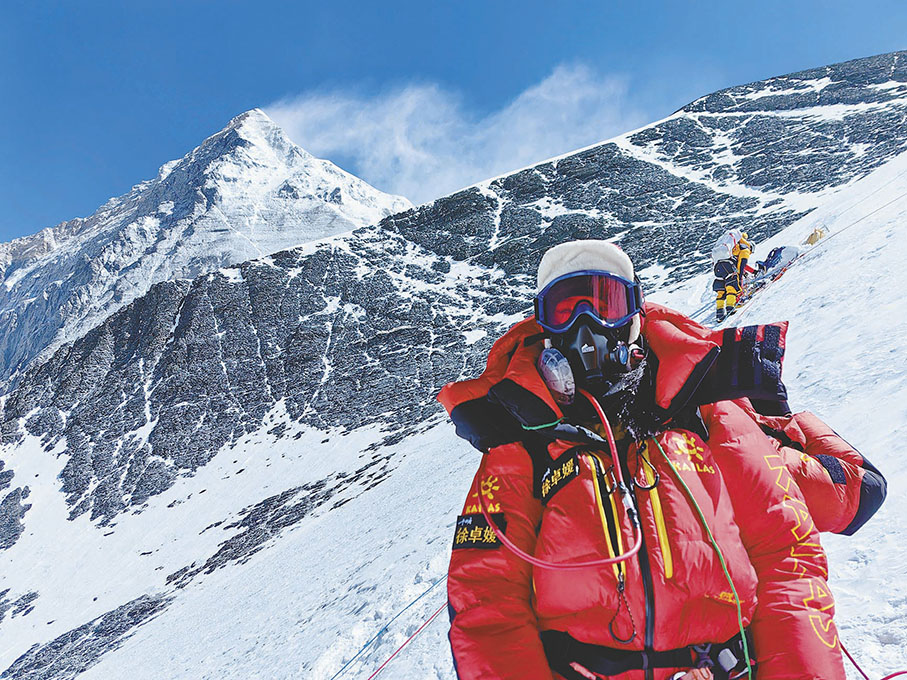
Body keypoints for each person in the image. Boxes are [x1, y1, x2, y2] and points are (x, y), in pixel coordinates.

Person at [438, 240, 886, 680]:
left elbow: (784, 559)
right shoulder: (522, 443)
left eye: (606, 303)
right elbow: (485, 602)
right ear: (544, 330)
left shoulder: (705, 415)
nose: (586, 326)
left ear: (635, 315)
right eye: (564, 310)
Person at [712, 257, 739, 322]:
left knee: (720, 293)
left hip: (717, 269)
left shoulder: (716, 255)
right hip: (728, 267)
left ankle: (719, 313)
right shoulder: (730, 257)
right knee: (731, 289)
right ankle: (730, 307)